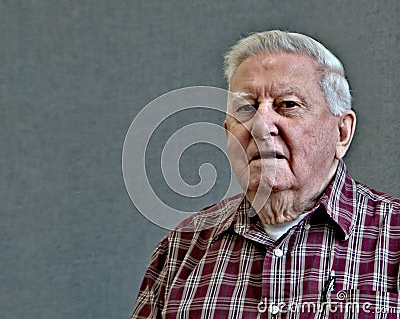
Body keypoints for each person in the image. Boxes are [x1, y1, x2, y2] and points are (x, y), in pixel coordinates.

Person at [131, 30, 400, 318]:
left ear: (342, 132)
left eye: (288, 105)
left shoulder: (393, 237)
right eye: (246, 108)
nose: (260, 126)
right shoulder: (180, 248)